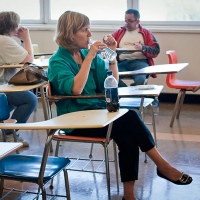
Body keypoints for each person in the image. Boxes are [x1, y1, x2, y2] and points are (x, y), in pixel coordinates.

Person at [48, 11, 192, 200]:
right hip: (76, 120)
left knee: (128, 135)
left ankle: (129, 196)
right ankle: (162, 166)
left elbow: (112, 82)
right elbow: (76, 89)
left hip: (97, 113)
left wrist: (113, 57)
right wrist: (90, 58)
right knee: (130, 117)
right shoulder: (57, 61)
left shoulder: (85, 53)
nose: (90, 34)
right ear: (70, 33)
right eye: (85, 30)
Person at [0, 11, 38, 147]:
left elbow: (21, 56)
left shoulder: (4, 40)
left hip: (4, 87)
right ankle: (9, 134)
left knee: (16, 99)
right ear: (12, 25)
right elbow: (28, 60)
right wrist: (27, 38)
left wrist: (21, 40)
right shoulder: (4, 41)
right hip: (2, 88)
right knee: (30, 99)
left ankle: (5, 132)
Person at [112, 9, 160, 87]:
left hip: (140, 62)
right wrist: (108, 42)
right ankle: (126, 92)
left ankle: (133, 95)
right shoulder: (119, 32)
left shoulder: (146, 33)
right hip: (122, 62)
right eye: (125, 20)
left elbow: (156, 50)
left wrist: (143, 48)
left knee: (140, 79)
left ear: (137, 21)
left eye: (130, 21)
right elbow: (108, 47)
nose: (126, 23)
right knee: (110, 76)